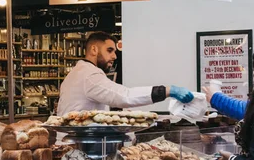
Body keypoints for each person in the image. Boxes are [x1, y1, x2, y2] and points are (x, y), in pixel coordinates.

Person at [57, 32, 193, 115]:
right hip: (80, 148)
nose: (115, 56)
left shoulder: (77, 72)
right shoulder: (90, 75)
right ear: (94, 50)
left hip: (74, 144)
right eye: (109, 50)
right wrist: (168, 90)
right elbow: (125, 96)